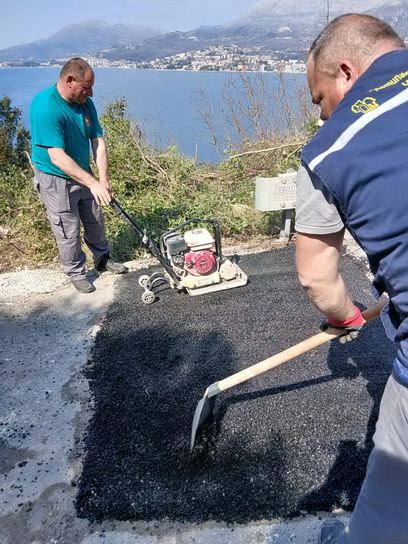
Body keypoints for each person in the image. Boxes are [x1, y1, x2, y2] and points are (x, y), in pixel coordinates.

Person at [295, 14, 408, 544]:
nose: (322, 114)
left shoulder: (329, 149)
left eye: (319, 98)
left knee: (389, 498)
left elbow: (318, 280)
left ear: (345, 72)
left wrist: (349, 318)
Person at [30, 57, 128, 293]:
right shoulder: (45, 107)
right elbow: (57, 157)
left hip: (82, 172)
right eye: (86, 87)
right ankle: (76, 272)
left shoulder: (85, 103)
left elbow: (98, 141)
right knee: (68, 227)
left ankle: (102, 258)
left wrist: (103, 180)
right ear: (70, 80)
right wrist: (93, 183)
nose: (91, 93)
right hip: (55, 178)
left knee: (95, 217)